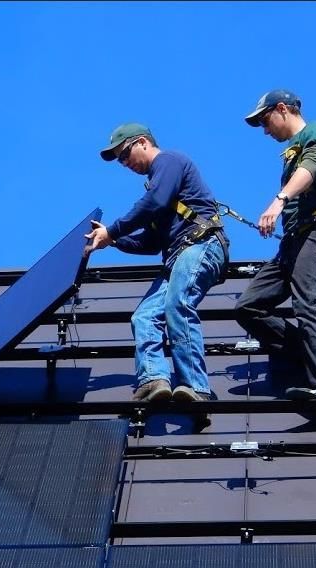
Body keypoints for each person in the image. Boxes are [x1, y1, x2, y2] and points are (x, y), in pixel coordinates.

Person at [84, 123, 229, 409]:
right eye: (120, 161)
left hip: (200, 245)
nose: (124, 163)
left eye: (124, 154)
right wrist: (113, 242)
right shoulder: (157, 184)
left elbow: (155, 201)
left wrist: (112, 231)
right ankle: (154, 379)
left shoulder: (169, 162)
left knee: (178, 304)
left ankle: (196, 388)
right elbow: (151, 242)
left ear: (142, 142)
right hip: (178, 256)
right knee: (144, 317)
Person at [235, 90, 316, 400]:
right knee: (249, 307)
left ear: (282, 109)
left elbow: (310, 169)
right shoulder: (293, 147)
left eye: (265, 120)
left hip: (315, 233)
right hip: (293, 242)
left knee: (309, 305)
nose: (265, 129)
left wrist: (279, 200)